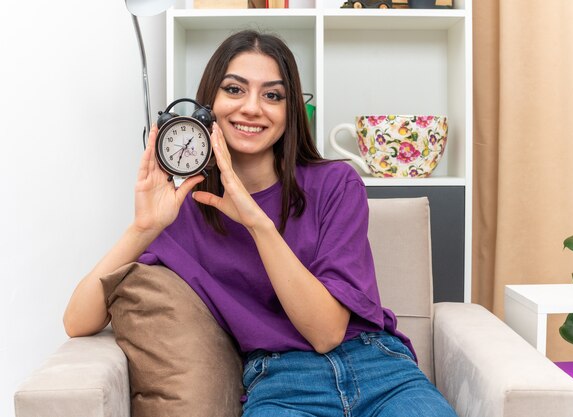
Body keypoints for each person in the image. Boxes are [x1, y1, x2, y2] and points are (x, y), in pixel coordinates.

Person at [63, 29, 458, 417]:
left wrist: (257, 222)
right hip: (282, 381)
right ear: (208, 103)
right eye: (234, 90)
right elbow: (78, 320)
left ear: (290, 111)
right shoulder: (185, 208)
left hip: (379, 367)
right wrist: (143, 228)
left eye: (272, 95)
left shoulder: (336, 184)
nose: (252, 107)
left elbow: (326, 333)